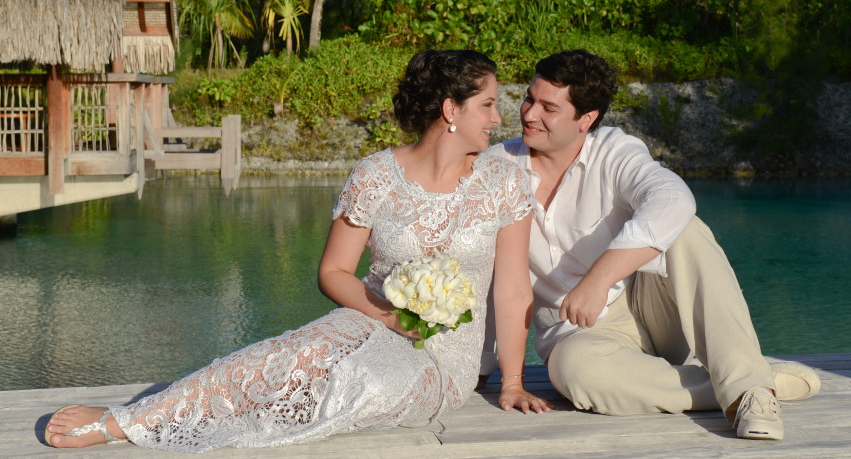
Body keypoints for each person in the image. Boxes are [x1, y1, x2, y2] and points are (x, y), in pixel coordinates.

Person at [45, 49, 551, 451]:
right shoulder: (376, 174)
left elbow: (510, 290)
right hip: (370, 319)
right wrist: (388, 316)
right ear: (451, 110)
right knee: (296, 353)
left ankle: (163, 420)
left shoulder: (504, 182)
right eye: (488, 103)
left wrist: (511, 381)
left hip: (444, 364)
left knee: (355, 383)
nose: (498, 116)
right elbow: (334, 272)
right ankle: (131, 421)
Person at [485, 49, 820, 441]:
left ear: (586, 119)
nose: (528, 113)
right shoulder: (496, 167)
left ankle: (751, 390)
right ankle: (749, 382)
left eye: (548, 107)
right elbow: (482, 269)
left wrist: (599, 278)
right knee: (575, 374)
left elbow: (674, 198)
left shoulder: (613, 150)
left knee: (686, 230)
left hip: (652, 306)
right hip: (578, 334)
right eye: (529, 98)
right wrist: (481, 366)